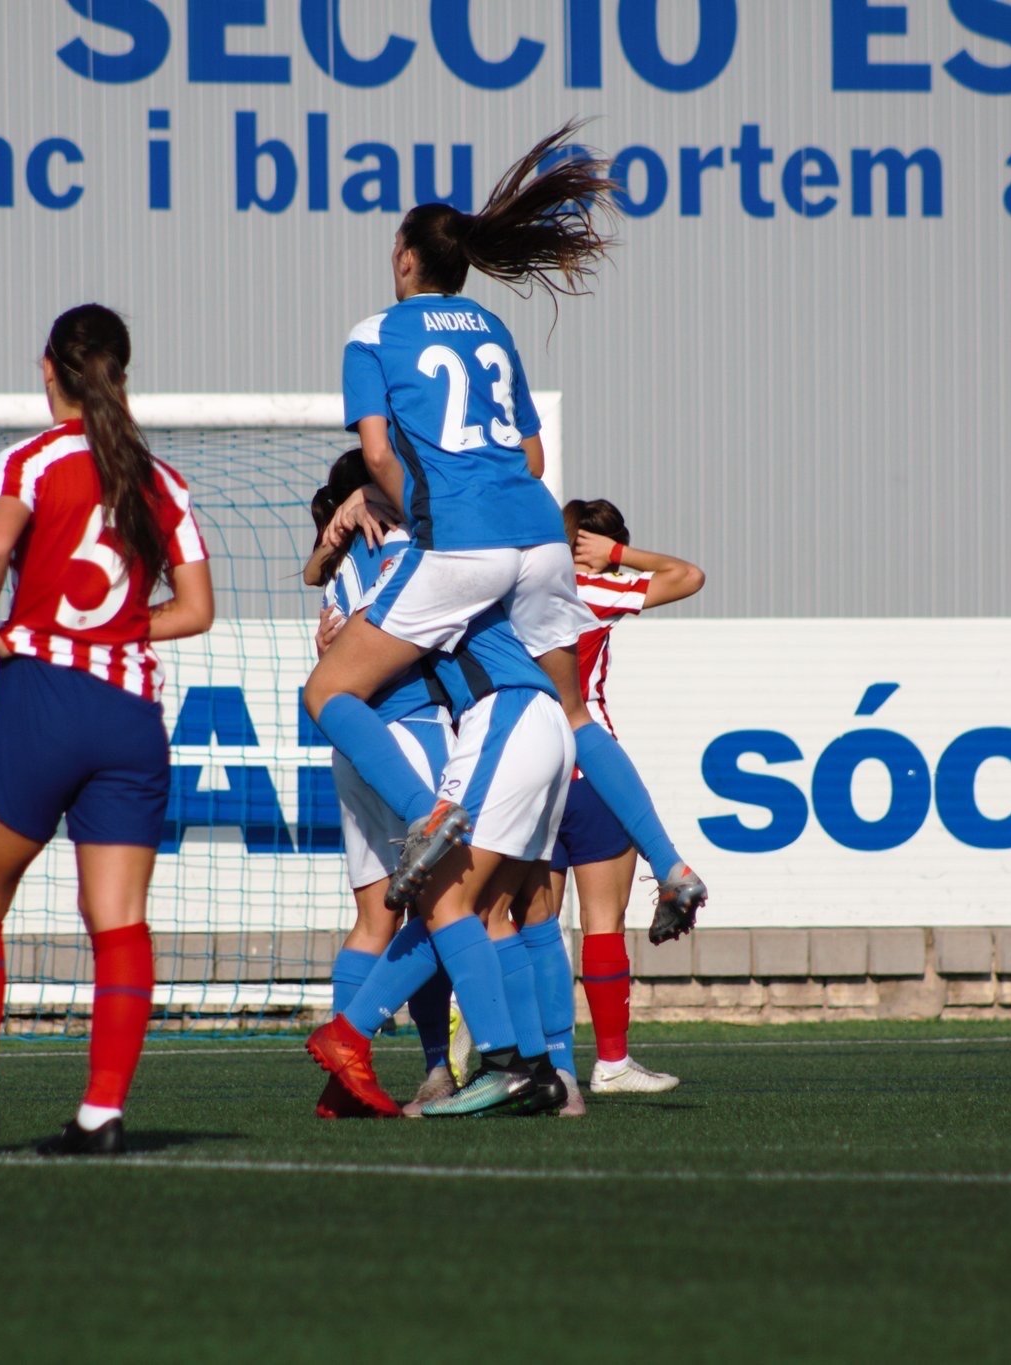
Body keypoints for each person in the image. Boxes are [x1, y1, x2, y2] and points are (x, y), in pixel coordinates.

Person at [300, 121, 707, 949]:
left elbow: (377, 452)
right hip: (537, 530)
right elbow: (531, 453)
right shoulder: (493, 330)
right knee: (575, 712)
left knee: (326, 692)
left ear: (407, 258)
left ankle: (428, 818)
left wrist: (418, 506)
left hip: (460, 540)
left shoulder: (374, 334)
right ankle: (671, 864)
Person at [0, 303, 214, 1157]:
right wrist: (114, 633)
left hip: (43, 701)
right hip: (130, 719)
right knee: (119, 924)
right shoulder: (163, 480)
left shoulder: (32, 459)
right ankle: (101, 1113)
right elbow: (196, 610)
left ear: (49, 369)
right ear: (122, 372)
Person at [306, 599, 575, 1119]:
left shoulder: (433, 563)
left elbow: (341, 681)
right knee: (500, 910)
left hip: (499, 719)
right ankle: (544, 1072)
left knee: (444, 900)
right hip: (548, 724)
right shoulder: (505, 570)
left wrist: (335, 658)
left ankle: (367, 1035)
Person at [305, 451, 458, 1117]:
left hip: (354, 748)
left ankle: (348, 1084)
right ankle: (422, 1062)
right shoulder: (411, 547)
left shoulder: (338, 566)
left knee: (375, 917)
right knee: (453, 907)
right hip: (412, 733)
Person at [553, 497, 706, 1096]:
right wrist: (616, 558)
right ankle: (611, 1061)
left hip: (523, 775)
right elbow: (687, 576)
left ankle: (539, 1062)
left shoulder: (514, 597)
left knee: (530, 924)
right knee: (602, 923)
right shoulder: (591, 591)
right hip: (591, 775)